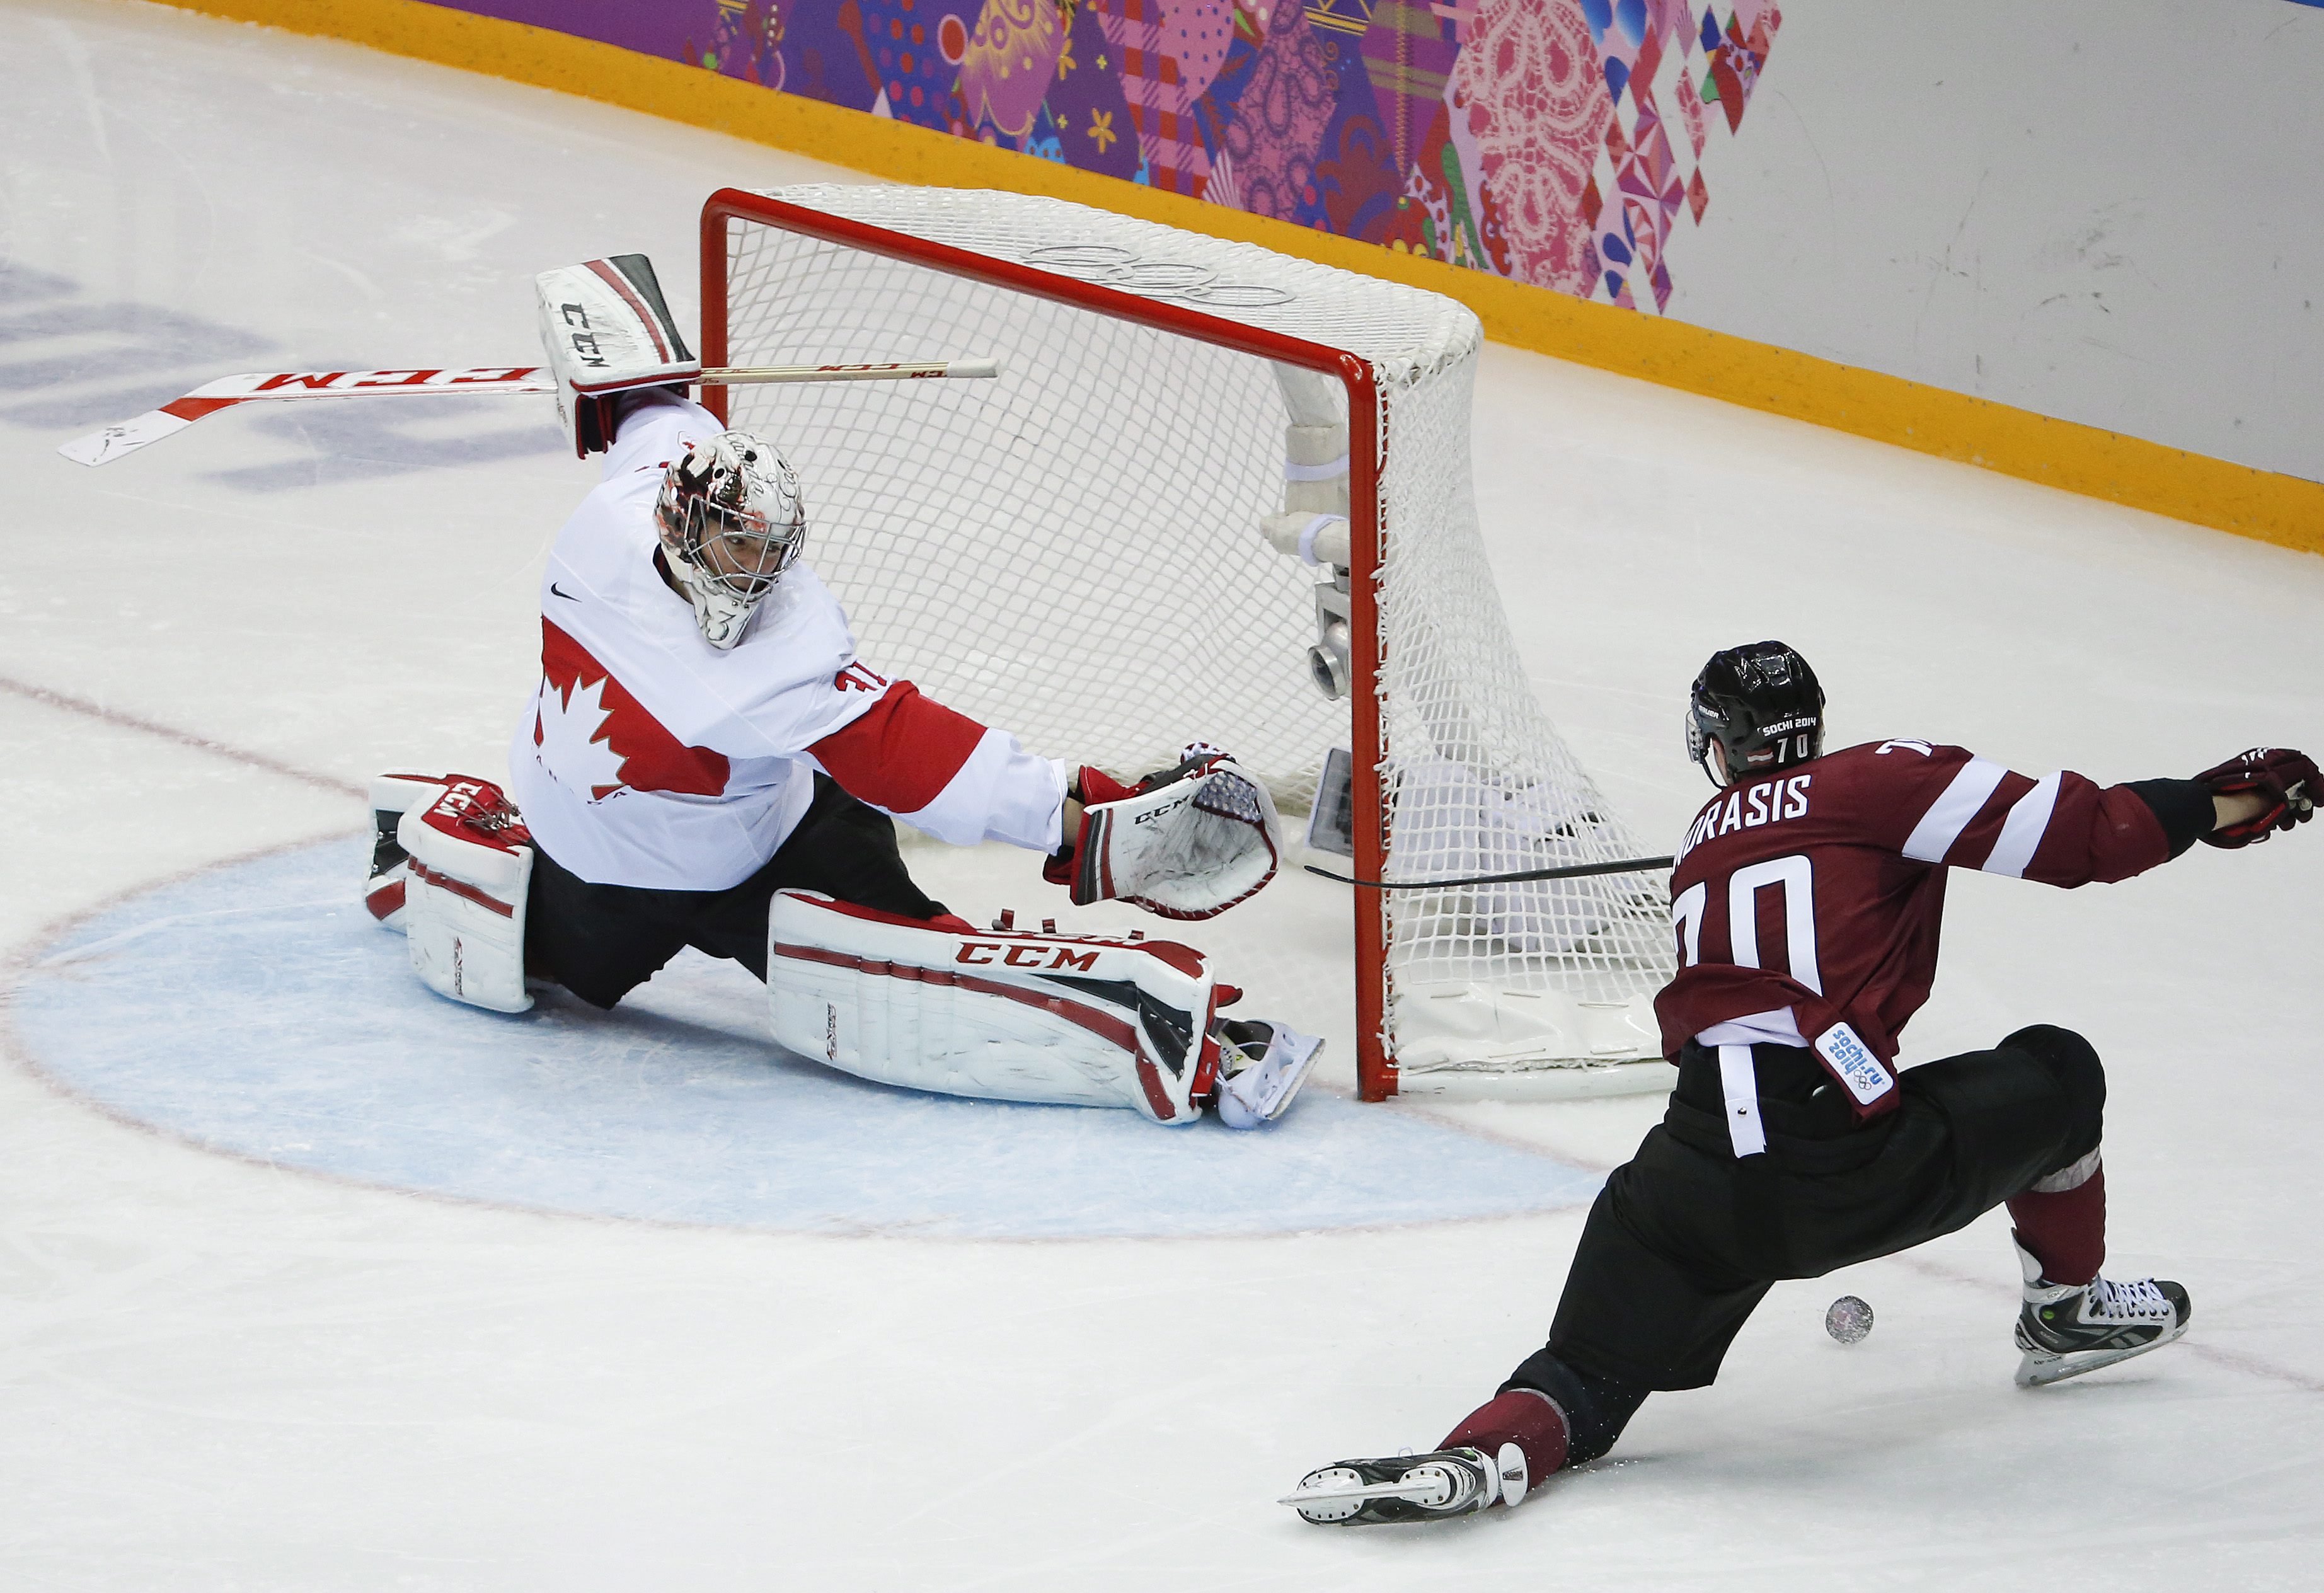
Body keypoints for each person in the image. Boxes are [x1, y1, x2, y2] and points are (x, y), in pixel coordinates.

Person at [1282, 639, 2316, 1522]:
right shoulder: (1881, 779)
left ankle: (1477, 1459)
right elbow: (2095, 836)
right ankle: (2066, 1309)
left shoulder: (1699, 845)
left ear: (1718, 744)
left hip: (1683, 1177)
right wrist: (2226, 798)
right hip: (1834, 1162)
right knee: (2059, 1069)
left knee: (1583, 1375)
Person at [364, 253, 1318, 1130]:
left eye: (768, 552)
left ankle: (1189, 1045)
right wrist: (1079, 823)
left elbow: (648, 410)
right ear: (680, 525)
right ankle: (462, 830)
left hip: (750, 848)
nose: (753, 575)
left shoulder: (640, 519)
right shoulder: (717, 620)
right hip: (605, 870)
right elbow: (905, 747)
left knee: (925, 957)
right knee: (544, 970)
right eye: (733, 549)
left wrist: (1077, 817)